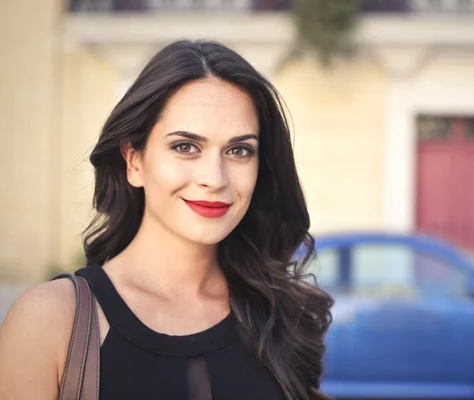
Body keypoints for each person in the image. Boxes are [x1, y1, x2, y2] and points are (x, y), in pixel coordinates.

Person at [0, 40, 333, 400]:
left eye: (238, 151)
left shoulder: (281, 318)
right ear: (134, 161)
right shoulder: (50, 319)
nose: (214, 178)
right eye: (185, 146)